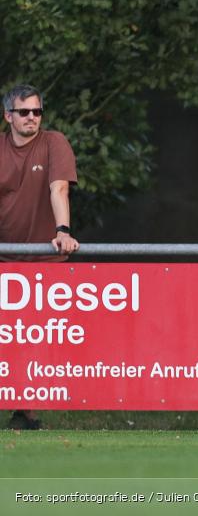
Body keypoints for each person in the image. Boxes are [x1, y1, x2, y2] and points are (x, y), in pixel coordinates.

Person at [2, 83, 80, 430]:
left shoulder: (54, 142)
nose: (32, 117)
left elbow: (58, 188)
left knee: (35, 338)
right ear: (8, 116)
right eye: (24, 112)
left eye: (37, 111)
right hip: (5, 260)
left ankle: (26, 413)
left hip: (44, 264)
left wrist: (63, 230)